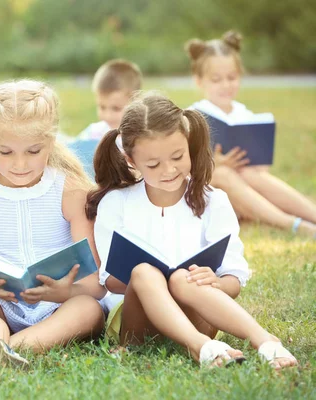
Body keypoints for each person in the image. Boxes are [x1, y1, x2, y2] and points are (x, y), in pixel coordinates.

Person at [88, 93, 298, 369]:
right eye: (153, 164)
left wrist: (215, 282)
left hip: (199, 316)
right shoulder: (116, 203)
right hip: (136, 325)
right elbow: (111, 281)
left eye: (178, 156)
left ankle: (266, 342)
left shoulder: (215, 201)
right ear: (131, 160)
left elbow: (234, 278)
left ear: (188, 144)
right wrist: (156, 279)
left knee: (183, 279)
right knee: (145, 272)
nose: (169, 170)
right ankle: (202, 349)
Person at [0, 80, 106, 367]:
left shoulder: (72, 192)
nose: (20, 164)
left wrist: (64, 292)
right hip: (0, 304)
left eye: (33, 151)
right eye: (6, 152)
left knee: (88, 309)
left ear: (51, 143)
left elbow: (95, 285)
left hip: (59, 305)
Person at [186, 30, 316, 238]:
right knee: (223, 173)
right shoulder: (193, 115)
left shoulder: (243, 113)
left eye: (232, 78)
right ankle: (292, 224)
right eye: (217, 79)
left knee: (248, 173)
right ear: (199, 81)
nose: (226, 85)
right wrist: (215, 162)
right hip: (209, 189)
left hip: (243, 186)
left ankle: (312, 214)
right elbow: (186, 168)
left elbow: (262, 168)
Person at [78, 58, 142, 141]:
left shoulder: (143, 139)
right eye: (102, 107)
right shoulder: (93, 134)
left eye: (116, 108)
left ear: (136, 102)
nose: (108, 116)